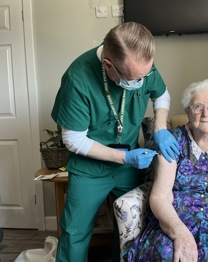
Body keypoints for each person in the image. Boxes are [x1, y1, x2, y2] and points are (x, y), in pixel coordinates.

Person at [51, 22, 179, 262]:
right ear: (108, 66)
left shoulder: (141, 64)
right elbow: (72, 138)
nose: (141, 83)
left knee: (130, 227)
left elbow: (161, 94)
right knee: (74, 232)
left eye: (145, 75)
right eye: (134, 79)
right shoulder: (77, 78)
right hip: (90, 168)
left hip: (128, 165)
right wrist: (125, 157)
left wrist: (161, 128)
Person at [123, 79, 208, 262]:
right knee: (169, 256)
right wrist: (179, 232)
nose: (205, 113)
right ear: (187, 111)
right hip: (174, 222)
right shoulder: (171, 141)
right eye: (198, 107)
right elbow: (160, 196)